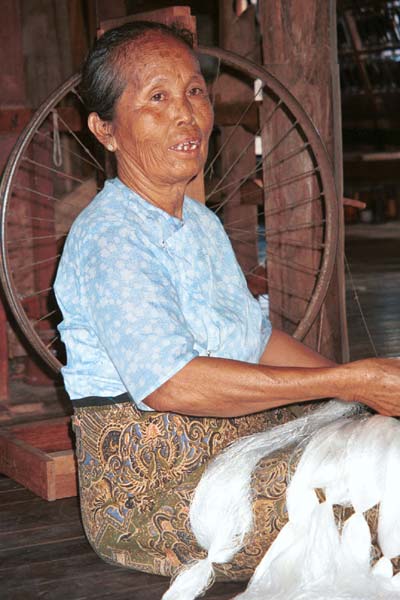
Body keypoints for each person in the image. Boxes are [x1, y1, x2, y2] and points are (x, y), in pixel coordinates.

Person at [54, 21, 400, 580]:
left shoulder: (201, 226)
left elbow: (256, 341)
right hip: (161, 498)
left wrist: (364, 395)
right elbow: (172, 384)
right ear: (105, 129)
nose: (186, 115)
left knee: (383, 445)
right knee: (380, 495)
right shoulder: (109, 236)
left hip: (237, 452)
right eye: (157, 98)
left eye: (195, 91)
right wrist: (349, 382)